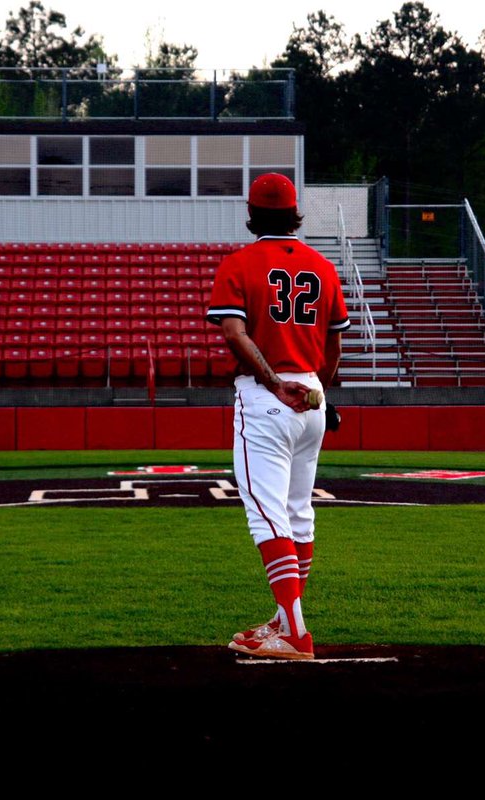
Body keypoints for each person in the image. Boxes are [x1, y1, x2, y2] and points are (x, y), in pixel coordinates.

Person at [205, 173, 350, 660]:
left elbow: (233, 333)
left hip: (268, 396)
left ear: (252, 215)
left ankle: (295, 631)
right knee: (297, 514)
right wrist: (317, 393)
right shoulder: (323, 267)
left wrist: (272, 383)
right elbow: (335, 343)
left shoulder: (239, 263)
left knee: (267, 515)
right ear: (294, 214)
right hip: (311, 393)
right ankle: (284, 620)